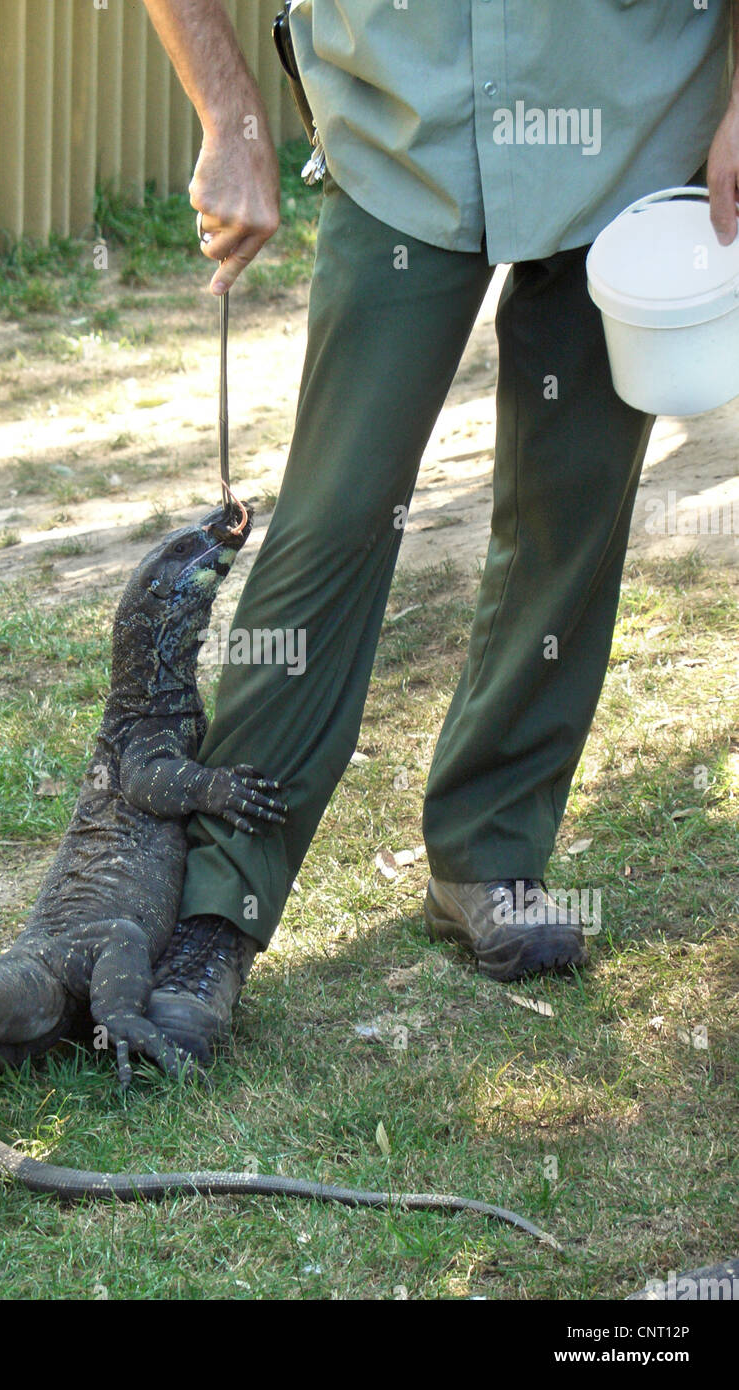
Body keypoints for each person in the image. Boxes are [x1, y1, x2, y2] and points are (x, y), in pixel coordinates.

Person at [139, 0, 739, 1064]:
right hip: (397, 132)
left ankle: (488, 855)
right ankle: (216, 907)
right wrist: (229, 117)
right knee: (335, 511)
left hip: (632, 124)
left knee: (572, 511)